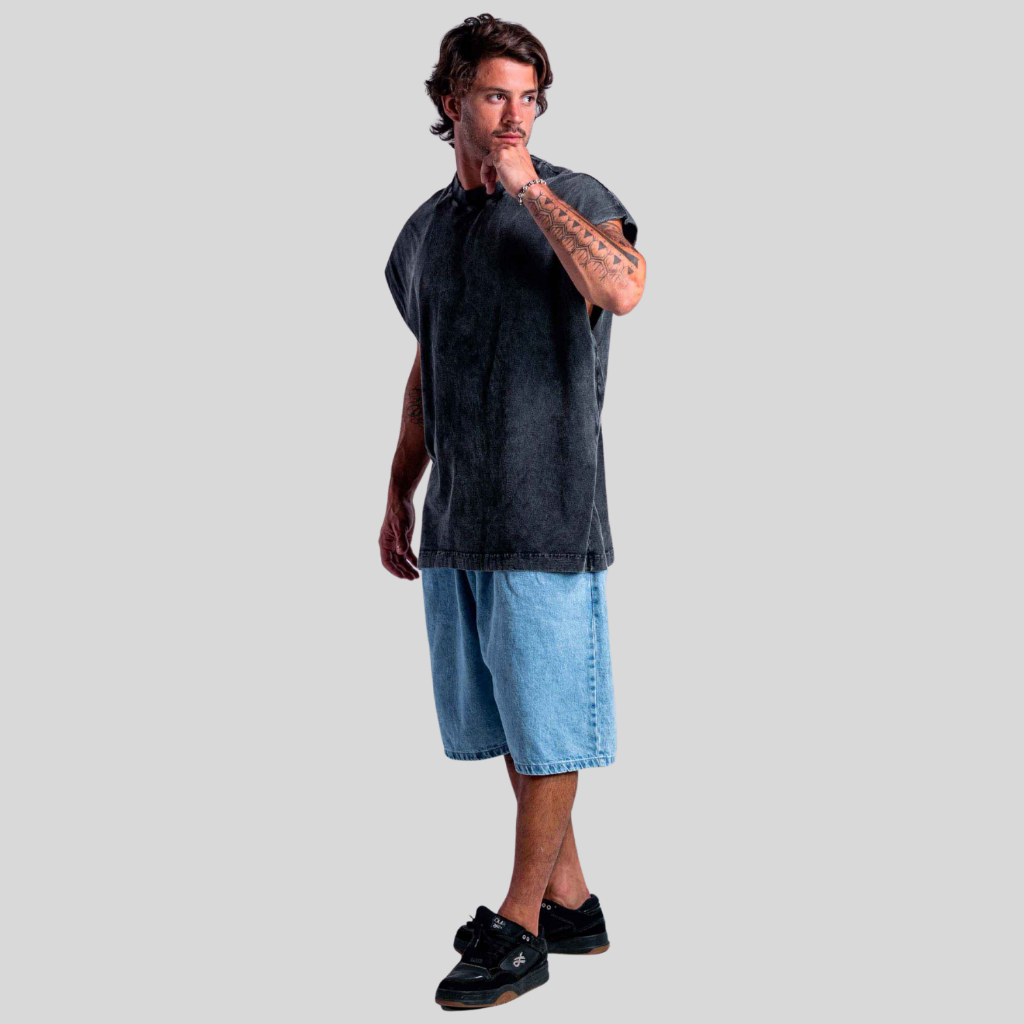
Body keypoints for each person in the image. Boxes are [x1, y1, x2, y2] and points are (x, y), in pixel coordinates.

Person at [380, 13, 646, 1010]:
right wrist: (398, 487)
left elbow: (624, 287)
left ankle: (521, 924)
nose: (513, 116)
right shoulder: (423, 233)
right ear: (450, 101)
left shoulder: (574, 198)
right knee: (510, 725)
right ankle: (570, 902)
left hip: (546, 513)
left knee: (552, 724)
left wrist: (529, 187)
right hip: (459, 519)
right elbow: (429, 367)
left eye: (528, 99)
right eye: (495, 95)